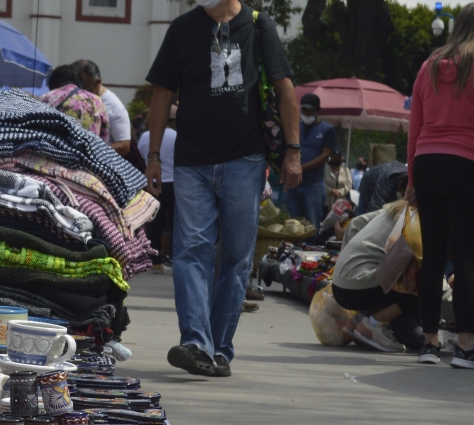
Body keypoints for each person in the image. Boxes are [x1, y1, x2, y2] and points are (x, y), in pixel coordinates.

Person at [145, 0, 301, 377]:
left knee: (235, 257)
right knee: (191, 250)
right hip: (192, 160)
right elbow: (162, 93)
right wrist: (153, 155)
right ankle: (196, 342)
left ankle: (219, 349)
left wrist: (294, 151)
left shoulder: (259, 26)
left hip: (244, 158)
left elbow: (284, 89)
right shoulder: (183, 29)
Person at [406, 2, 474, 369]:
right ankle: (466, 347)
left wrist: (411, 177)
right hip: (467, 165)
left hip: (427, 164)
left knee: (433, 255)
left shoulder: (430, 67)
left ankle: (429, 343)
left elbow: (415, 127)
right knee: (466, 257)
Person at [331, 200, 423, 352]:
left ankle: (358, 320)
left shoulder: (392, 209)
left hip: (339, 285)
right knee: (422, 287)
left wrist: (344, 263)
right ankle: (373, 325)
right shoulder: (417, 222)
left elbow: (355, 224)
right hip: (358, 288)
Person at [281, 93, 335, 227]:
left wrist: (302, 168)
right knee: (290, 223)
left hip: (313, 185)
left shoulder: (327, 129)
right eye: (304, 110)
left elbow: (325, 155)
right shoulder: (295, 127)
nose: (307, 113)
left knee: (311, 225)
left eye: (310, 110)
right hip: (293, 184)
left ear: (318, 110)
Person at [138, 104, 178, 270]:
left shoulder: (146, 136)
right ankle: (176, 257)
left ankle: (155, 260)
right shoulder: (176, 135)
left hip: (151, 182)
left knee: (154, 222)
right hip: (173, 183)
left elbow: (140, 156)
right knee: (177, 222)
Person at [41, 64, 113, 143]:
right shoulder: (97, 101)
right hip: (87, 153)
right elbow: (104, 141)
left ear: (54, 85)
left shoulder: (47, 97)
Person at [73, 59, 132, 155]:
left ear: (97, 82)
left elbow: (124, 145)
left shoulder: (114, 106)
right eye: (78, 88)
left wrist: (90, 152)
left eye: (87, 88)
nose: (82, 93)